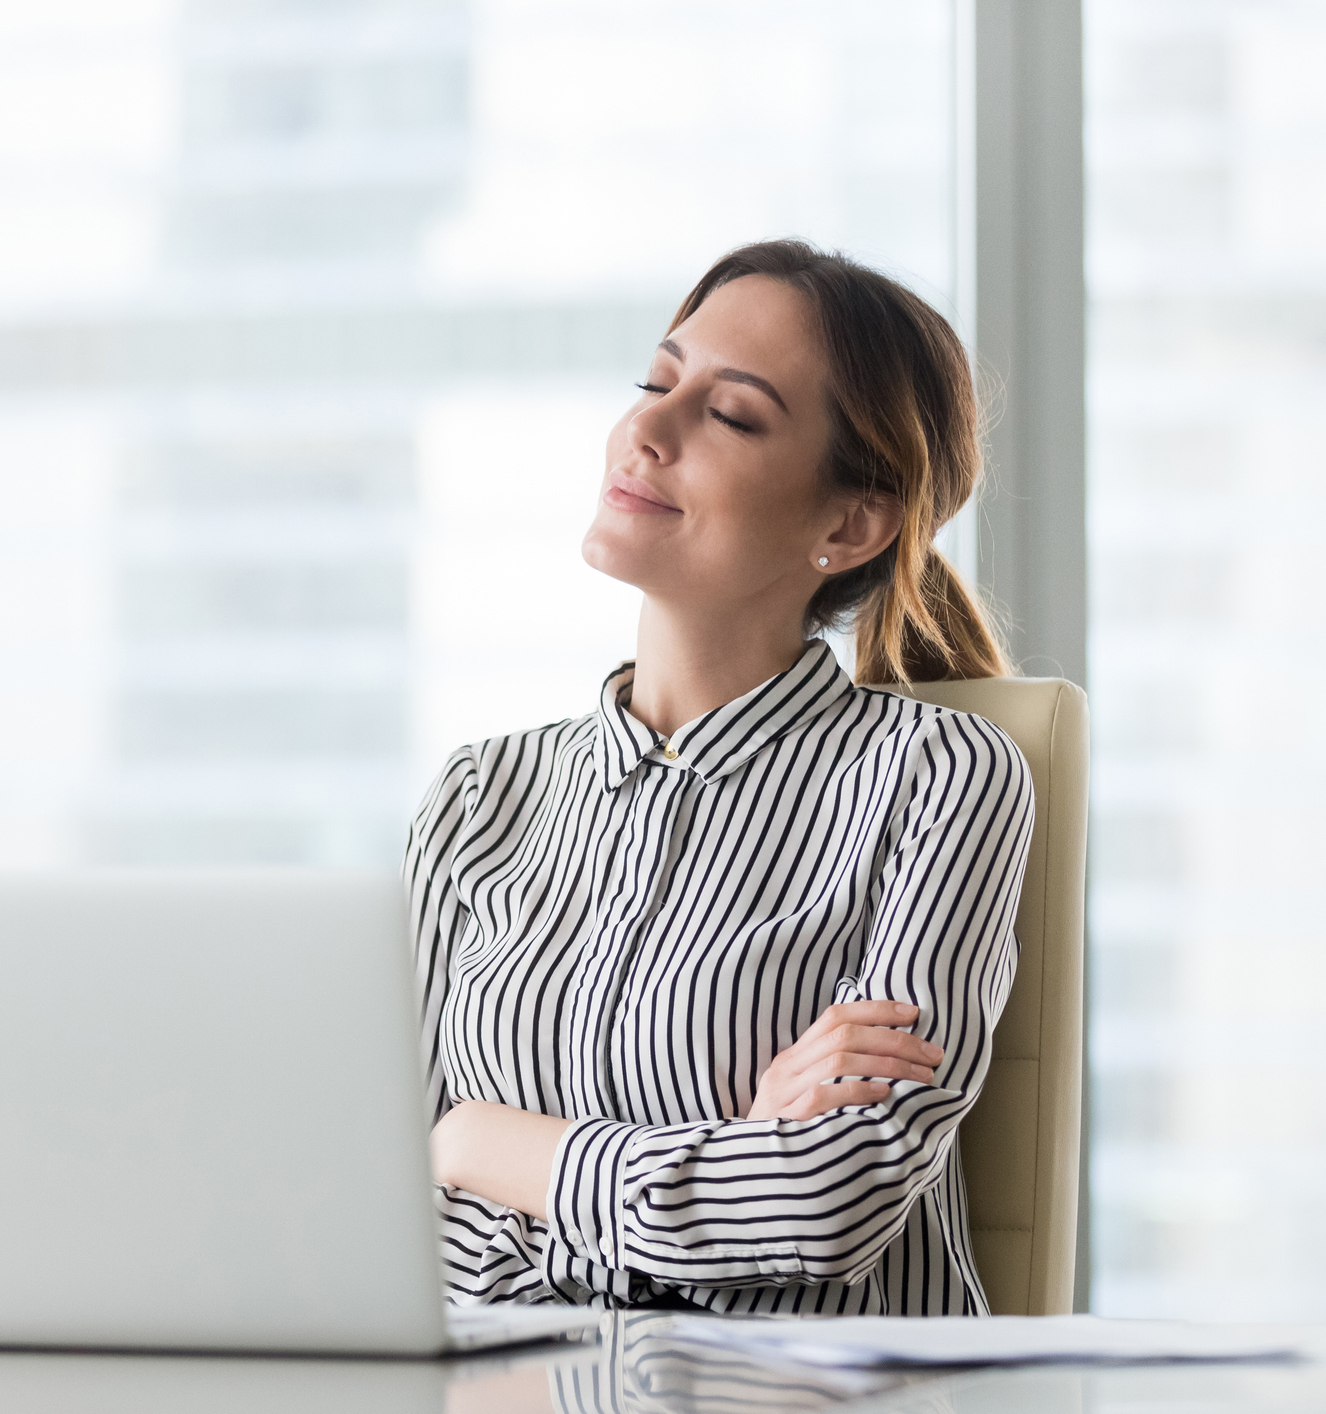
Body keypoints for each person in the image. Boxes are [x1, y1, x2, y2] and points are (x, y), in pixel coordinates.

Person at [407, 240, 1034, 1316]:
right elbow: (379, 1195)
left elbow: (824, 1208)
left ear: (847, 524)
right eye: (656, 383)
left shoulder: (938, 775)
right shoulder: (482, 794)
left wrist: (478, 1141)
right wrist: (731, 1151)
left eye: (730, 415)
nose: (647, 430)